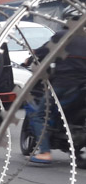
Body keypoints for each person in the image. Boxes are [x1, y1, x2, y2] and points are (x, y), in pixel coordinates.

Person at [29, 10, 86, 164]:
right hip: (82, 87)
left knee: (40, 116)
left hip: (64, 84)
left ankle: (45, 153)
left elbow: (41, 53)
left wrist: (29, 60)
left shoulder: (62, 36)